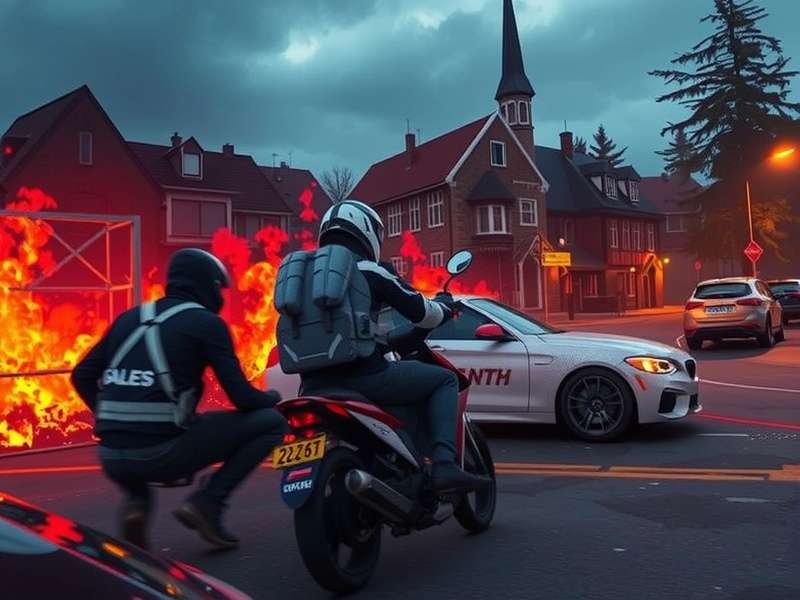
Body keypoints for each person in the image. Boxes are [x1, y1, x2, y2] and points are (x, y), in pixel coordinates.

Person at [71, 248, 287, 550]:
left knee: (141, 462)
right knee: (271, 423)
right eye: (218, 289)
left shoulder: (129, 318)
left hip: (110, 455)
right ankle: (207, 504)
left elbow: (80, 376)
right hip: (160, 453)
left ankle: (136, 502)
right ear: (206, 285)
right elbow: (241, 398)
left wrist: (105, 418)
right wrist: (273, 398)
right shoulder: (206, 324)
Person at [300, 200, 489, 492]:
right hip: (366, 380)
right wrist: (445, 307)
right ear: (366, 231)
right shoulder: (370, 271)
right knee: (444, 380)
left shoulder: (302, 279)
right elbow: (421, 310)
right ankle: (444, 465)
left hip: (311, 387)